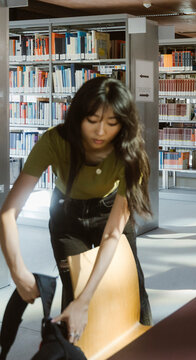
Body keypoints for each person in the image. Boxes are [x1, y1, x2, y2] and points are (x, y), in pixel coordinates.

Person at [0, 77, 152, 344]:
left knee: (132, 286)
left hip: (110, 213)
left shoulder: (130, 154)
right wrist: (18, 271)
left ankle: (146, 347)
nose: (100, 132)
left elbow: (112, 235)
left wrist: (87, 299)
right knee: (75, 291)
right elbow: (8, 213)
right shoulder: (54, 141)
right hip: (67, 215)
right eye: (92, 120)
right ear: (78, 116)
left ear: (123, 124)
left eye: (111, 123)